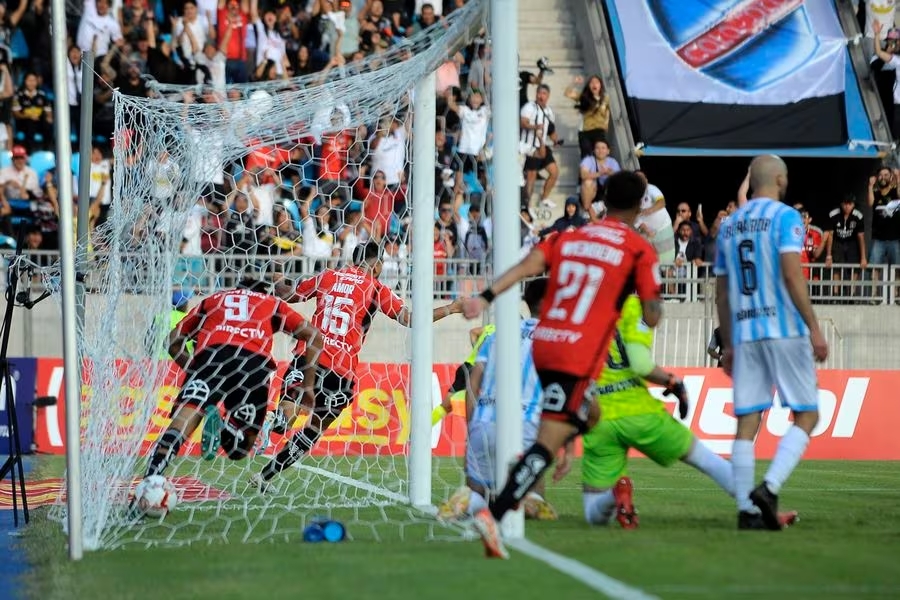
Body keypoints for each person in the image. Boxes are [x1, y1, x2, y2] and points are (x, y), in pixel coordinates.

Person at [461, 170, 663, 558]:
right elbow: (651, 316)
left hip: (546, 345)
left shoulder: (569, 236)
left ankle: (498, 507)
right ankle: (499, 506)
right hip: (577, 354)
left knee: (578, 424)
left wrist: (484, 298)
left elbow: (525, 268)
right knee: (557, 438)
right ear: (640, 207)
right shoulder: (638, 248)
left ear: (602, 199)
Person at [252, 241, 462, 490]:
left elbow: (287, 294)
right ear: (377, 264)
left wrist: (276, 270)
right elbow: (411, 319)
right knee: (315, 428)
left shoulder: (328, 277)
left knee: (292, 404)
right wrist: (452, 307)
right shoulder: (375, 288)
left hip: (309, 356)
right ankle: (265, 475)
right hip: (340, 371)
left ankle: (275, 421)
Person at [582, 296, 798, 529]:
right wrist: (672, 382)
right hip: (639, 412)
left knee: (594, 514)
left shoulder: (579, 311)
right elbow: (641, 365)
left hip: (598, 416)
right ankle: (756, 511)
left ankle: (616, 493)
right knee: (707, 461)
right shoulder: (631, 305)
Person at [715, 155, 829, 531]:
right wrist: (813, 325)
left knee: (747, 420)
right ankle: (770, 488)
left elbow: (722, 292)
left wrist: (728, 344)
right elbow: (792, 274)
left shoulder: (729, 225)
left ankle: (748, 513)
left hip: (745, 333)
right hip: (783, 328)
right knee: (808, 414)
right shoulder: (785, 217)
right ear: (779, 179)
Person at [138, 277, 322, 491]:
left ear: (236, 289)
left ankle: (150, 480)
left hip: (211, 358)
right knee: (239, 450)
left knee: (182, 423)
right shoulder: (271, 302)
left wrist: (194, 370)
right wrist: (308, 387)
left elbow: (172, 342)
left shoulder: (214, 300)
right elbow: (313, 336)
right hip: (252, 366)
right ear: (263, 291)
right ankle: (228, 426)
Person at [439, 278, 559, 522]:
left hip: (484, 421)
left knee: (478, 492)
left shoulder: (495, 337)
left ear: (527, 303)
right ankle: (532, 499)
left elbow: (474, 382)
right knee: (533, 476)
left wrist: (472, 427)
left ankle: (470, 499)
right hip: (526, 424)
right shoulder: (555, 339)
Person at [431, 323, 495, 426]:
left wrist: (476, 350)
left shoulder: (491, 328)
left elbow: (473, 332)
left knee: (445, 406)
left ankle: (418, 431)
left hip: (466, 366)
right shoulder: (503, 337)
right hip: (477, 371)